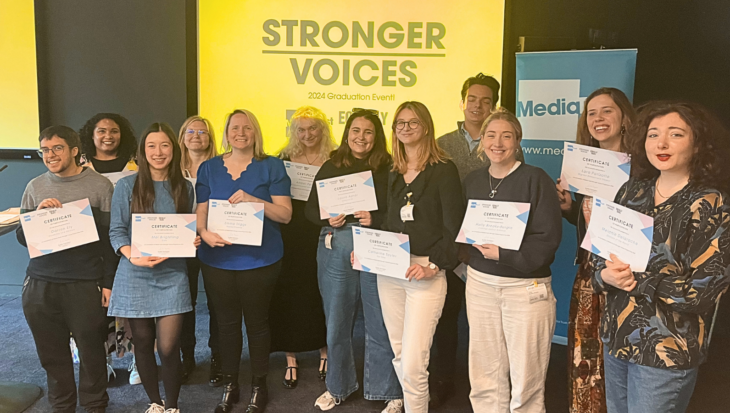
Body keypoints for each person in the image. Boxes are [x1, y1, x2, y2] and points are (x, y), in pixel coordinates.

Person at [592, 101, 730, 413]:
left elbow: (701, 293)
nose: (661, 143)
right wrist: (605, 276)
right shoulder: (631, 192)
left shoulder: (711, 204)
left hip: (665, 352)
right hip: (617, 339)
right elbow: (599, 263)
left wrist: (639, 281)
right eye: (653, 134)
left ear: (698, 144)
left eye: (676, 134)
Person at [432, 72, 525, 407]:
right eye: (472, 99)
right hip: (450, 244)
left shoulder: (506, 144)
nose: (478, 105)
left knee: (487, 322)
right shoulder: (441, 144)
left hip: (489, 247)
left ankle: (488, 382)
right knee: (446, 315)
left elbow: (517, 194)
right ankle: (443, 376)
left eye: (486, 100)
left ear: (494, 105)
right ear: (463, 101)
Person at [463, 109, 561, 412]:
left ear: (517, 141)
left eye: (507, 136)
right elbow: (462, 230)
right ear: (482, 140)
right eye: (491, 135)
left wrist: (504, 255)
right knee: (484, 374)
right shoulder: (473, 181)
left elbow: (547, 240)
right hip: (480, 285)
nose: (498, 142)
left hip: (524, 289)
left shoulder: (536, 179)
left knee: (527, 377)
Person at [306, 109, 404, 413]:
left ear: (378, 136)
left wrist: (376, 218)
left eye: (368, 132)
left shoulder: (391, 167)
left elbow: (402, 211)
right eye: (356, 131)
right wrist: (327, 217)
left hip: (377, 243)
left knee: (381, 321)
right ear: (347, 133)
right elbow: (310, 210)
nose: (361, 137)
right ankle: (338, 386)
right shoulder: (332, 165)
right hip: (336, 245)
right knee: (337, 321)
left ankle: (388, 390)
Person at [196, 109, 292, 413]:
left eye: (247, 128)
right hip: (217, 258)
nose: (240, 133)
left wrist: (255, 201)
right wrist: (202, 231)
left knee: (257, 324)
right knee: (225, 325)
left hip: (260, 260)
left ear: (256, 132)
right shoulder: (209, 167)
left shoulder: (272, 166)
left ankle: (259, 385)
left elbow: (285, 215)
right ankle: (230, 383)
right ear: (226, 133)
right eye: (234, 128)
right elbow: (201, 209)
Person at [17, 125, 115, 413]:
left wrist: (108, 283)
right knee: (52, 356)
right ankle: (62, 407)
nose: (50, 155)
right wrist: (37, 217)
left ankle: (95, 406)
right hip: (40, 285)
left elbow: (111, 240)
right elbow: (23, 238)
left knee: (92, 354)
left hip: (85, 283)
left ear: (74, 151)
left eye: (57, 148)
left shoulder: (99, 186)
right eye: (44, 150)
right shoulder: (35, 187)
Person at [378, 101, 464, 413]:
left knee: (415, 360)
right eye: (400, 123)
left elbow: (454, 229)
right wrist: (368, 254)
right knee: (400, 353)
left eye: (412, 122)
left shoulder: (444, 171)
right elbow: (390, 224)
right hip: (390, 273)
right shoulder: (394, 171)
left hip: (426, 273)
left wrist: (434, 265)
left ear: (426, 127)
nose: (405, 128)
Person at [555, 87, 636, 413]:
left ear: (624, 118)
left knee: (621, 363)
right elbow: (588, 221)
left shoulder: (643, 170)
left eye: (607, 111)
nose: (598, 119)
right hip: (590, 277)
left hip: (627, 281)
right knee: (586, 358)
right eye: (592, 113)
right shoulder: (584, 168)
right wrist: (567, 207)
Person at [269, 106, 335, 389]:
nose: (307, 134)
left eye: (313, 128)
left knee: (321, 292)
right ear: (293, 132)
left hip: (322, 232)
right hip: (289, 233)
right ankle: (291, 357)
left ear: (324, 129)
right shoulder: (281, 159)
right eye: (301, 129)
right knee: (288, 291)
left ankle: (325, 350)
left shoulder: (336, 158)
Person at [79, 112, 139, 383]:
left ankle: (139, 359)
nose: (108, 136)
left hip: (130, 243)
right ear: (91, 135)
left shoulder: (136, 165)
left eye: (114, 131)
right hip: (92, 246)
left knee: (133, 303)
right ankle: (100, 360)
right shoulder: (79, 167)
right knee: (93, 309)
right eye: (101, 131)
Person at [177, 115, 221, 385]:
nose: (196, 136)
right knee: (185, 302)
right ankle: (187, 357)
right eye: (190, 131)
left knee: (218, 304)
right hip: (180, 244)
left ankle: (219, 357)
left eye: (202, 132)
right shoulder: (170, 169)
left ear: (210, 138)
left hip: (215, 242)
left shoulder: (221, 167)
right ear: (182, 137)